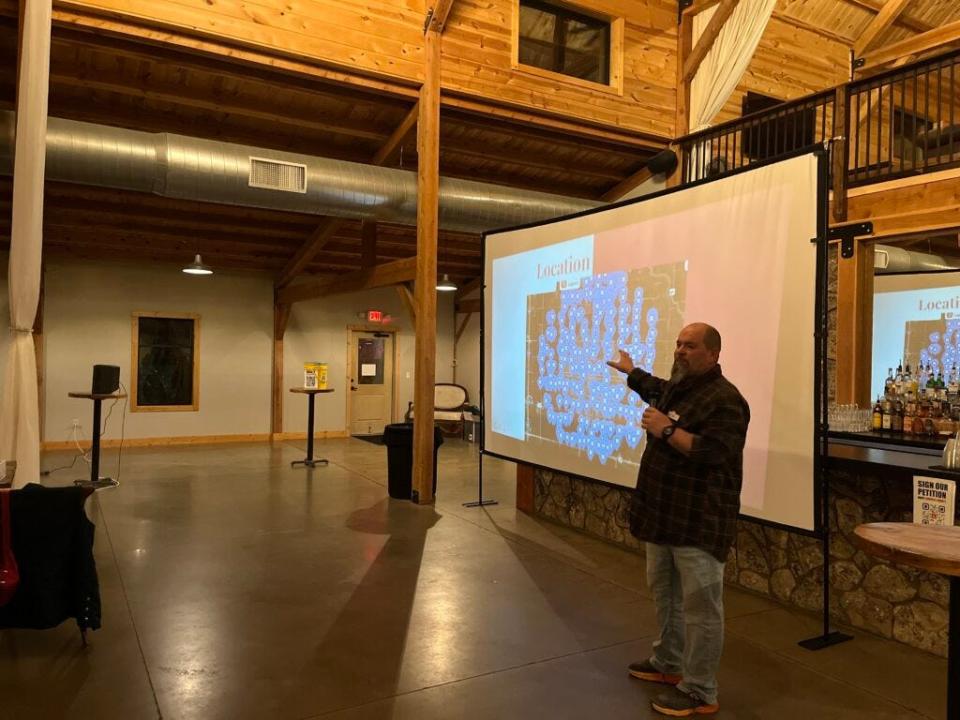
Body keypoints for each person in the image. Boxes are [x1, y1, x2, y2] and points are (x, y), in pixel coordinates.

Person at [607, 322, 750, 717]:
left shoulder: (726, 400)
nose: (680, 351)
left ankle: (701, 690)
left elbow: (713, 452)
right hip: (662, 515)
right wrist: (631, 371)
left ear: (713, 353)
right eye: (678, 344)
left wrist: (666, 430)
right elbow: (655, 389)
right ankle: (668, 663)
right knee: (665, 594)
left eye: (690, 346)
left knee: (702, 608)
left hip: (698, 522)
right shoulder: (679, 387)